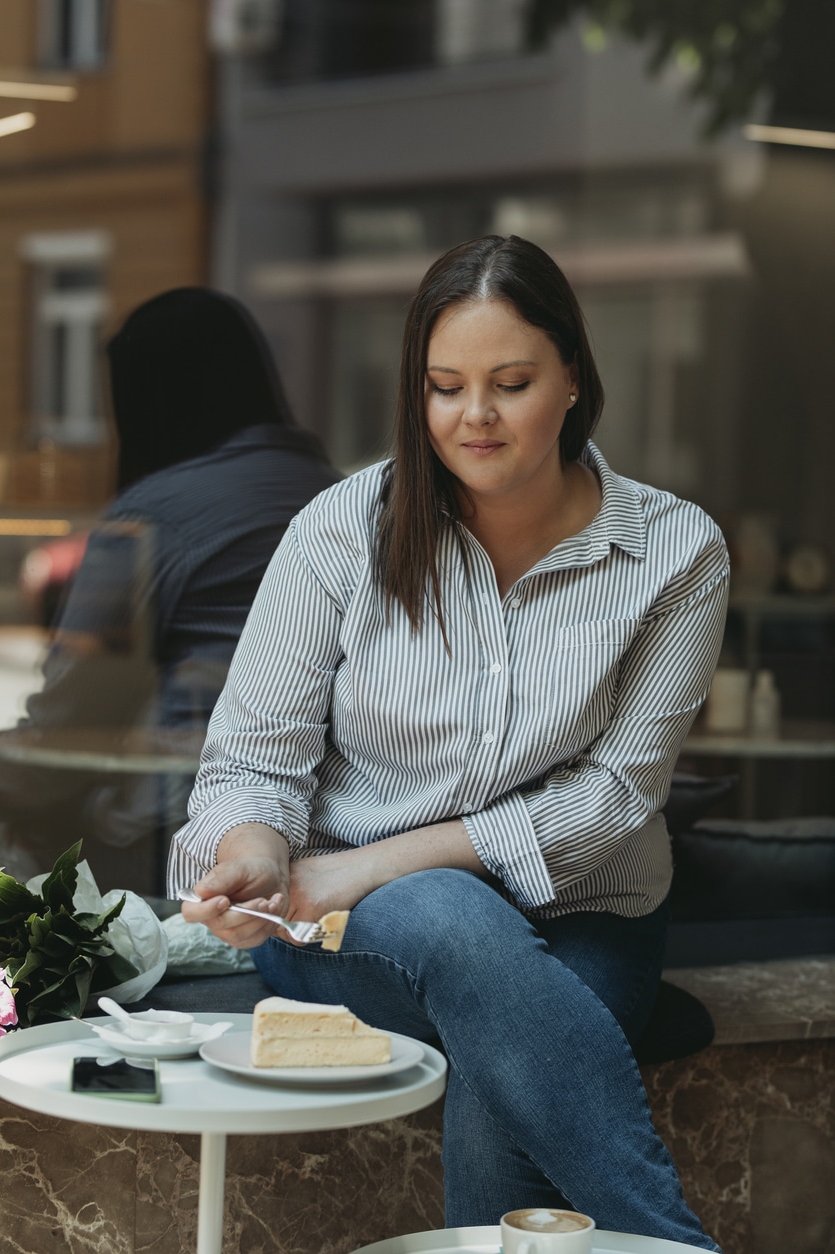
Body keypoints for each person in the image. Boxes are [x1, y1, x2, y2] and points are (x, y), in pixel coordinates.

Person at [171, 237, 727, 1248]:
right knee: (452, 922)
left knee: (497, 1071)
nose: (474, 416)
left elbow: (613, 799)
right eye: (444, 387)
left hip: (582, 913)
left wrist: (369, 865)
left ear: (571, 379)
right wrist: (254, 850)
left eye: (510, 384)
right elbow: (252, 760)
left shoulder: (675, 552)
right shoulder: (340, 531)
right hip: (349, 935)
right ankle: (673, 1243)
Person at [0, 287, 340, 891]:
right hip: (324, 833)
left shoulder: (153, 515)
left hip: (170, 837)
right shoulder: (339, 495)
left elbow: (71, 714)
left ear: (146, 401)